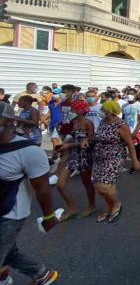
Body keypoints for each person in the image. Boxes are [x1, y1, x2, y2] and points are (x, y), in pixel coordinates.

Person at [0, 103, 60, 284]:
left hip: (10, 214)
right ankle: (43, 274)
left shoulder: (29, 151)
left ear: (9, 121)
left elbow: (42, 187)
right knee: (8, 252)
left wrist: (49, 216)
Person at [86, 100, 140, 223]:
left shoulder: (121, 125)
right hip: (99, 158)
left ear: (111, 112)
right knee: (99, 186)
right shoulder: (103, 122)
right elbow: (97, 137)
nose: (101, 112)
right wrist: (86, 140)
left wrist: (135, 161)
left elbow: (130, 144)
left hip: (114, 158)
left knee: (103, 185)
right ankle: (109, 207)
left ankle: (116, 204)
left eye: (104, 110)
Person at [54, 101, 96, 221]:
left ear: (79, 111)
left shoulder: (88, 123)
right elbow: (72, 137)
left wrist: (71, 145)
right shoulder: (74, 122)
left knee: (87, 183)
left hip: (84, 156)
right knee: (60, 184)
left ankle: (91, 206)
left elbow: (91, 141)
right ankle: (72, 208)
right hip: (72, 155)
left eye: (73, 110)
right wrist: (64, 146)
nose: (71, 112)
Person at [122, 89, 140, 169]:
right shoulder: (124, 106)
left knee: (135, 147)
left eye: (131, 94)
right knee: (127, 146)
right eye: (128, 93)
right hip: (126, 130)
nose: (129, 95)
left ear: (135, 95)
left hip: (135, 130)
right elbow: (123, 118)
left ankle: (136, 164)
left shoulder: (139, 105)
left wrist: (135, 132)